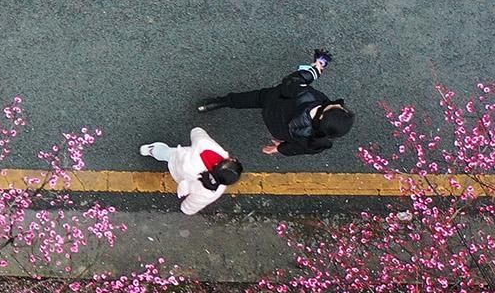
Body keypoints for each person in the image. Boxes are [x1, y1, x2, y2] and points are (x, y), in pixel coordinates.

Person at [197, 49, 354, 156]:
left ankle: (220, 102)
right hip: (276, 128)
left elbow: (291, 82)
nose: (340, 105)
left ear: (322, 116)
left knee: (247, 98)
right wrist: (279, 148)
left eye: (338, 108)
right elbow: (296, 149)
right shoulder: (318, 142)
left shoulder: (304, 96)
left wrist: (315, 70)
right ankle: (220, 102)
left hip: (271, 100)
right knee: (254, 100)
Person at [139, 127, 245, 215]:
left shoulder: (209, 149)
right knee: (169, 160)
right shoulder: (212, 191)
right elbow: (195, 203)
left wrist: (197, 130)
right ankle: (153, 151)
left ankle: (152, 150)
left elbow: (197, 133)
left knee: (166, 153)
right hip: (180, 178)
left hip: (179, 157)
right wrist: (186, 209)